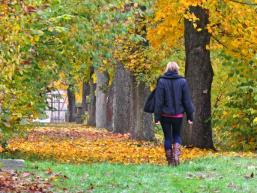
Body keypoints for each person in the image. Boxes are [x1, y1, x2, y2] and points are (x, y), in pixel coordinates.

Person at [154, 61, 194, 166]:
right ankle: (176, 155)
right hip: (178, 115)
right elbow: (187, 100)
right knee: (177, 135)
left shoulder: (161, 81)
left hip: (164, 115)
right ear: (177, 69)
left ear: (167, 69)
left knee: (167, 137)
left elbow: (159, 101)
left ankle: (170, 161)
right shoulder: (183, 81)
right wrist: (190, 116)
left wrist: (156, 117)